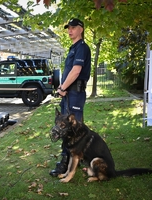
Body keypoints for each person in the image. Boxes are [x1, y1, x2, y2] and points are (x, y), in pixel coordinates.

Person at [49, 18, 91, 177]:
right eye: (68, 28)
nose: (69, 30)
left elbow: (75, 71)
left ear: (81, 29)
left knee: (70, 129)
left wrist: (62, 87)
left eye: (73, 27)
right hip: (69, 93)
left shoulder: (82, 47)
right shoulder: (74, 48)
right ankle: (74, 158)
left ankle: (66, 164)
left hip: (73, 93)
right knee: (69, 128)